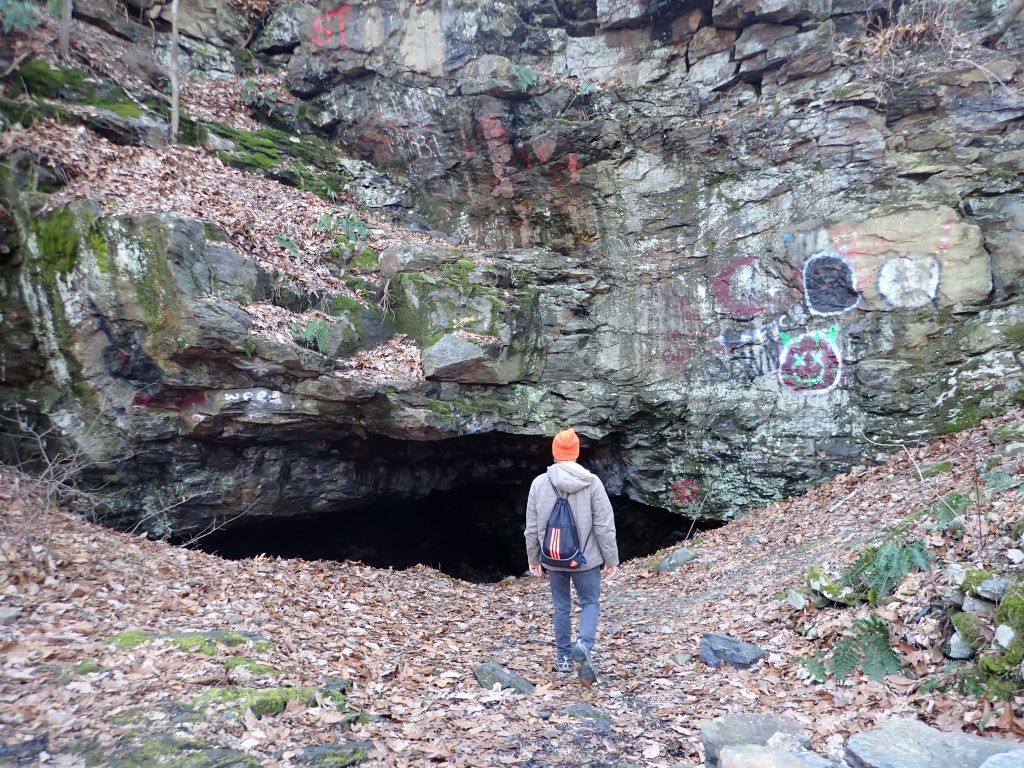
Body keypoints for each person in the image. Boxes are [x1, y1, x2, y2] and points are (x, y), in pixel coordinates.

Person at [524, 427, 619, 685]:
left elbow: (532, 527)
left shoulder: (539, 483)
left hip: (553, 557)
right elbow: (604, 525)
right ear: (576, 453)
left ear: (555, 453)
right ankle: (584, 645)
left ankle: (564, 658)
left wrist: (534, 557)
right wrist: (611, 558)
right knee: (590, 603)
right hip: (586, 559)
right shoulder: (592, 482)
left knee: (561, 606)